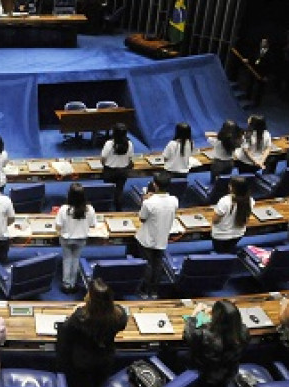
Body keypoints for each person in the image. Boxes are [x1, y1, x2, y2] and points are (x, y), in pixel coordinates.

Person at [55, 279, 128, 387]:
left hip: (83, 362)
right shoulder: (119, 316)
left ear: (90, 299)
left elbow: (66, 331)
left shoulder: (81, 318)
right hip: (105, 359)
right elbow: (121, 323)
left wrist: (77, 311)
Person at [183, 300, 250, 387]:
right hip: (228, 374)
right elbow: (230, 321)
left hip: (205, 373)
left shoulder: (205, 335)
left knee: (181, 354)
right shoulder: (244, 332)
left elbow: (188, 335)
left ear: (216, 317)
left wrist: (194, 314)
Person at [134, 171, 178, 299]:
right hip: (162, 238)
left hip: (147, 239)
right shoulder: (174, 200)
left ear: (155, 185)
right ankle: (154, 291)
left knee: (148, 265)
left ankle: (144, 291)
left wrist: (145, 200)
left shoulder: (149, 203)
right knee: (157, 264)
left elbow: (142, 218)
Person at [56, 184, 95, 294]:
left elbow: (58, 226)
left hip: (66, 239)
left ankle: (66, 284)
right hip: (81, 239)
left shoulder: (64, 209)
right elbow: (92, 225)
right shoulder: (90, 209)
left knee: (67, 259)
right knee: (76, 259)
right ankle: (73, 283)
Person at [211, 176, 253, 254]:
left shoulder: (225, 201)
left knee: (220, 252)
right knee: (229, 249)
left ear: (232, 188)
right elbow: (246, 218)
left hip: (220, 236)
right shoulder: (250, 200)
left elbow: (215, 220)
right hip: (238, 234)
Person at [100, 123, 134, 211]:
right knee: (119, 191)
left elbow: (103, 158)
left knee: (108, 191)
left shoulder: (109, 144)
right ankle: (119, 210)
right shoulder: (130, 144)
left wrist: (104, 164)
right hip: (123, 171)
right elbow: (130, 158)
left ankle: (106, 209)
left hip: (109, 171)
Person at [242, 38, 274, 107]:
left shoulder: (270, 54)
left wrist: (266, 76)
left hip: (263, 72)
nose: (262, 43)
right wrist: (248, 60)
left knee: (260, 88)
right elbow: (252, 58)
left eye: (264, 42)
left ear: (268, 44)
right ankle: (248, 96)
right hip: (254, 70)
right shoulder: (257, 50)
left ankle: (257, 102)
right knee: (250, 83)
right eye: (262, 42)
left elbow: (270, 66)